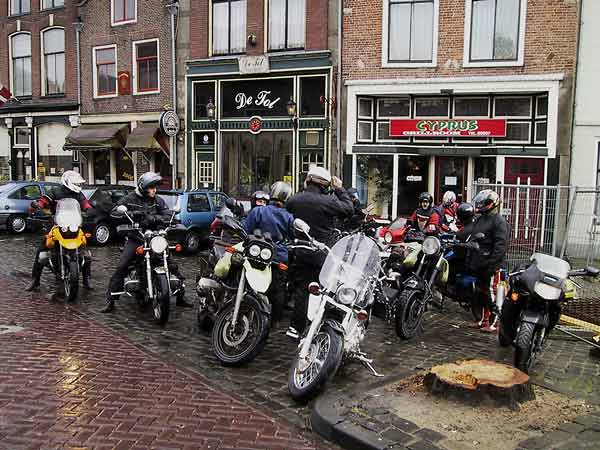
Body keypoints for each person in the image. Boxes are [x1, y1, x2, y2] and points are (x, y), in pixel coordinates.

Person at [101, 172, 192, 313]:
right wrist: (132, 215)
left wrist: (160, 219)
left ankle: (180, 296)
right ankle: (111, 299)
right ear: (144, 187)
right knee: (122, 265)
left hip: (155, 238)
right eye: (151, 187)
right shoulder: (130, 198)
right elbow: (114, 213)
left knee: (172, 264)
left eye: (155, 187)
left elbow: (167, 213)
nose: (154, 190)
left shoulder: (158, 200)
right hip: (136, 237)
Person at [285, 166, 354, 338]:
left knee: (302, 289)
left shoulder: (295, 199)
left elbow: (289, 208)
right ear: (325, 185)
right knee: (325, 290)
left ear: (308, 180)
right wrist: (340, 189)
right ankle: (319, 327)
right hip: (323, 252)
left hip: (300, 249)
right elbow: (348, 209)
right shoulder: (328, 201)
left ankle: (296, 327)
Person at [26, 170, 93, 296]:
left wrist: (90, 210)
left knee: (84, 249)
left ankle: (86, 279)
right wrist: (38, 204)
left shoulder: (78, 194)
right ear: (67, 182)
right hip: (57, 224)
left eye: (79, 184)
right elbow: (44, 200)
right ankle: (35, 280)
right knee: (41, 249)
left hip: (74, 225)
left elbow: (85, 203)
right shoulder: (55, 191)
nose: (78, 186)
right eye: (76, 184)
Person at [244, 181, 294, 327]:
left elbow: (247, 231)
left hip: (257, 254)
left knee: (251, 283)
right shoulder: (289, 216)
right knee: (278, 289)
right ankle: (275, 321)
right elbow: (291, 237)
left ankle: (249, 312)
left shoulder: (258, 211)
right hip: (279, 256)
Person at [467, 189, 509, 332]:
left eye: (485, 202)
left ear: (492, 203)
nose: (481, 205)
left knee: (493, 295)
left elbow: (500, 245)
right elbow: (474, 239)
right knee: (480, 294)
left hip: (493, 266)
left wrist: (492, 264)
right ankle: (482, 320)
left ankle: (495, 323)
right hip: (480, 264)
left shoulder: (499, 221)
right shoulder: (479, 220)